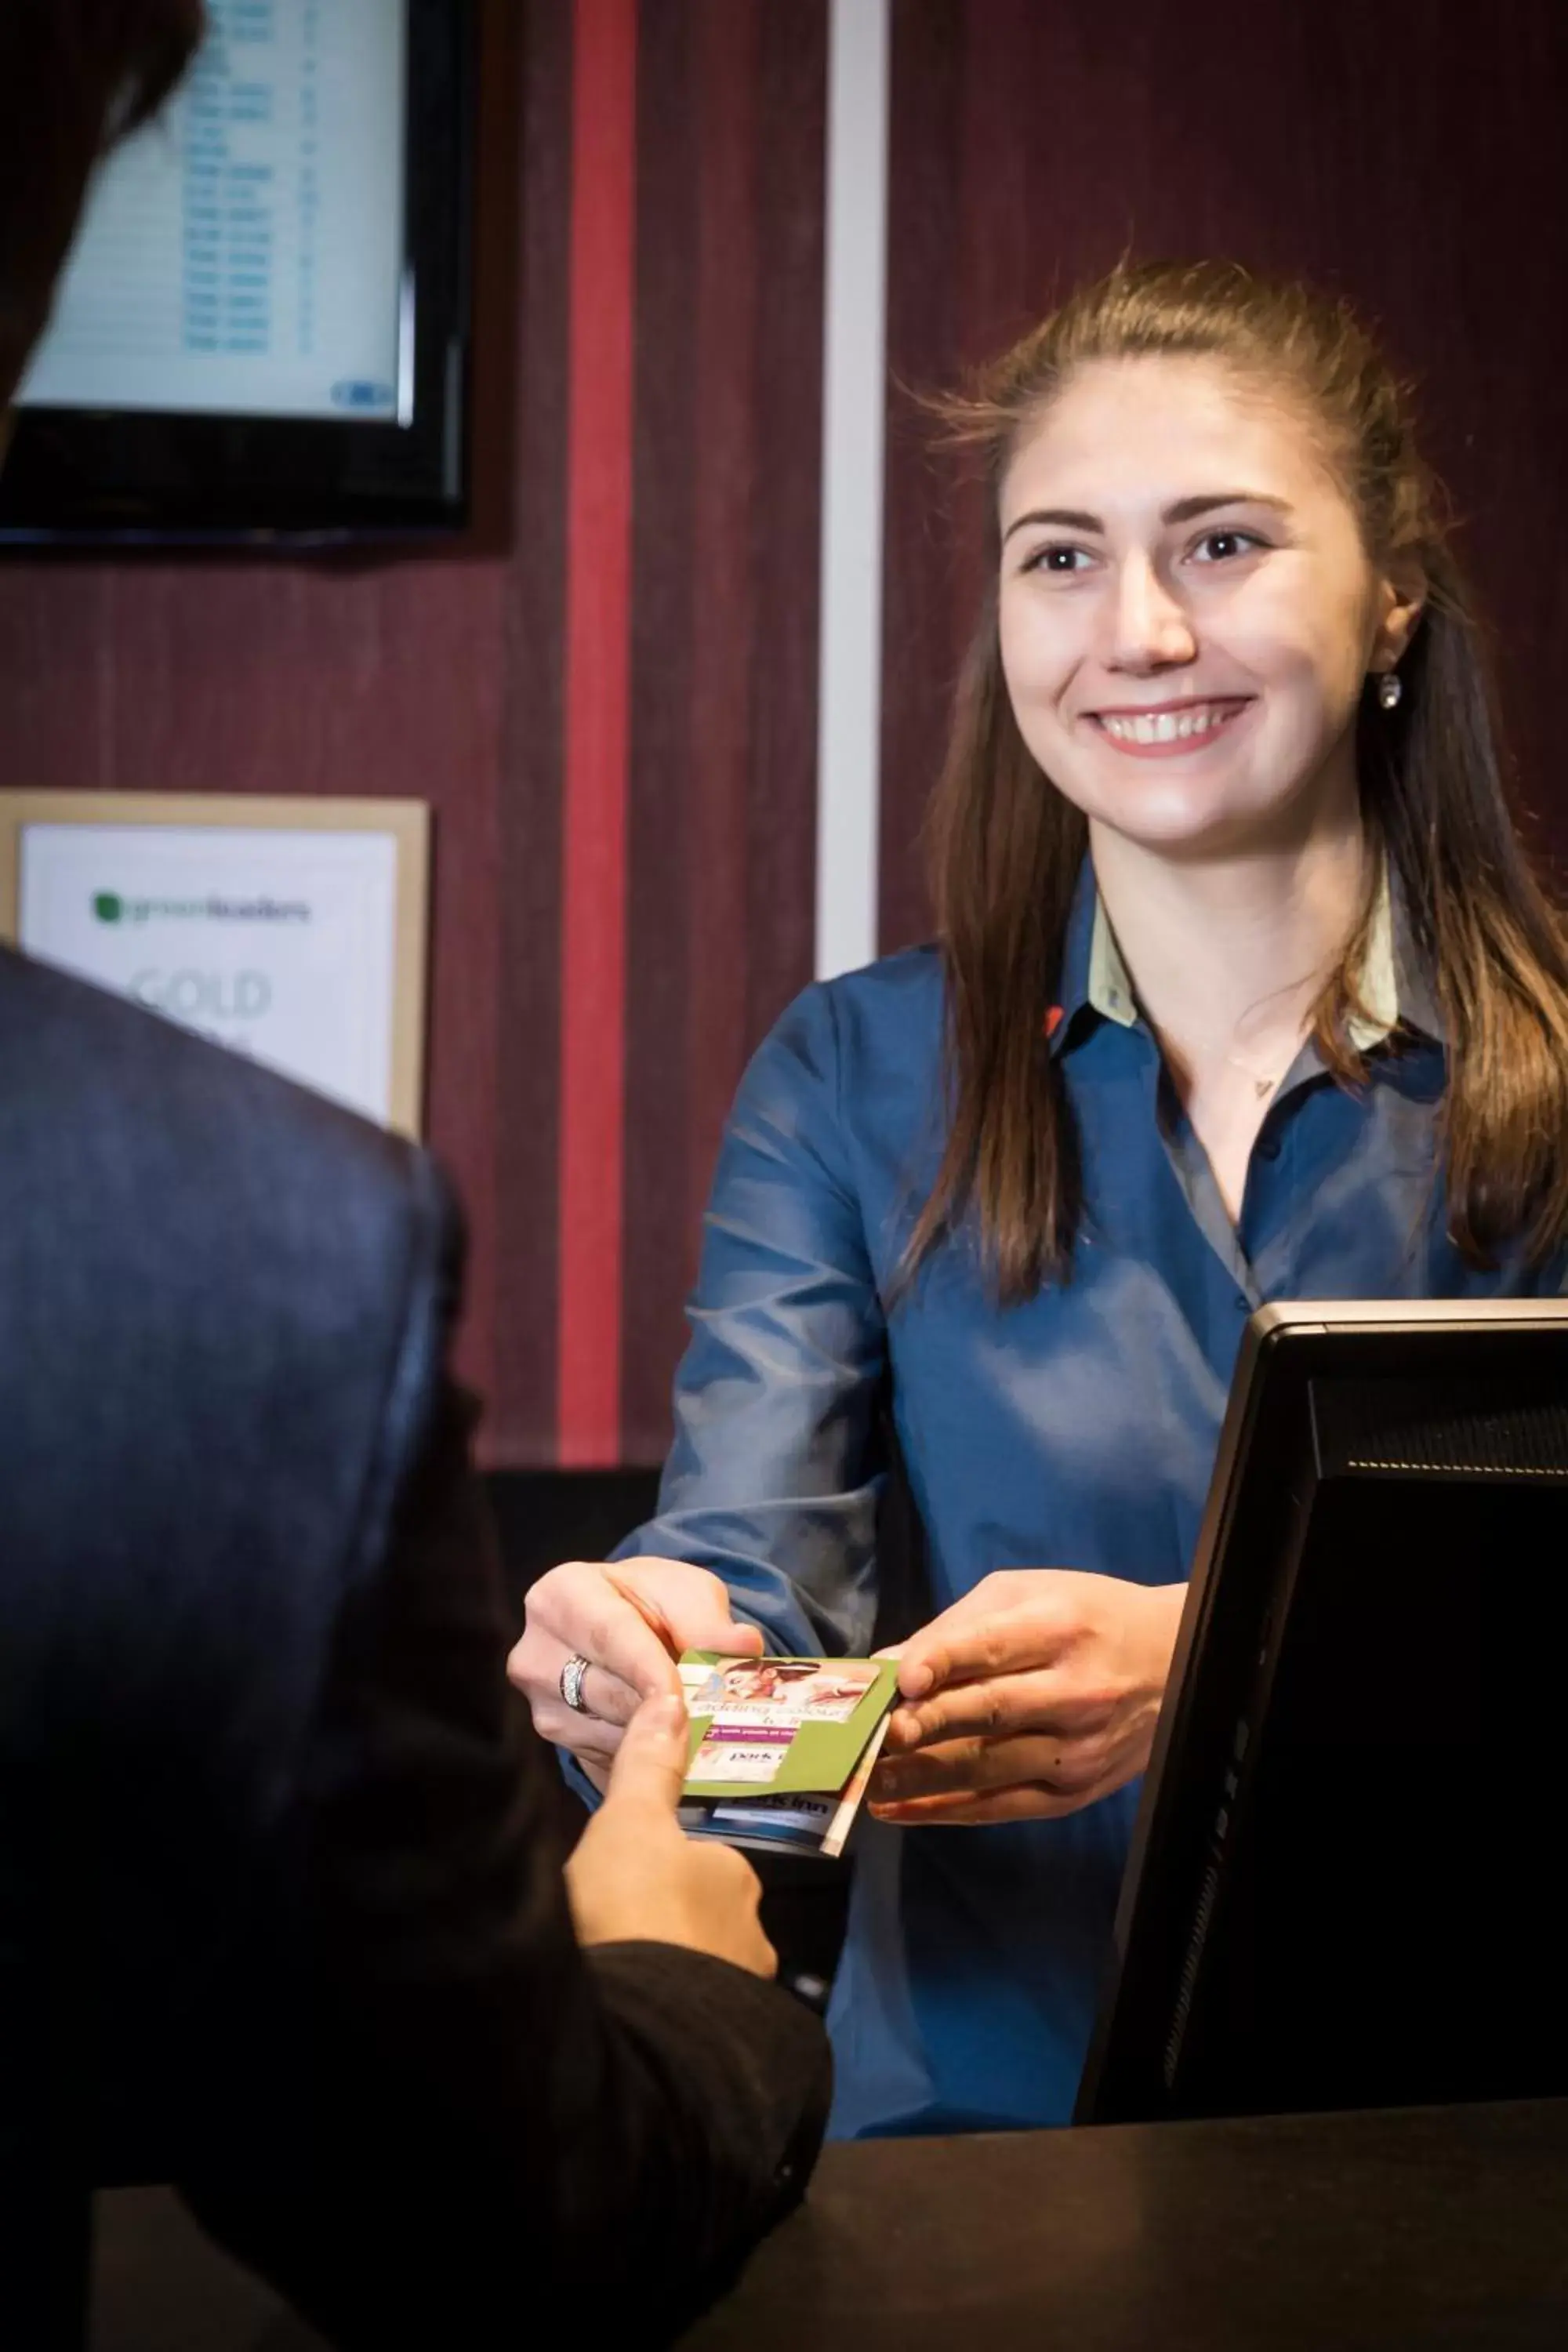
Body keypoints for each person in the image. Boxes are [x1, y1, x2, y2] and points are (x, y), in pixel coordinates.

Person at [512, 257, 1568, 2138]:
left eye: (1223, 542)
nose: (1138, 631)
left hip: (1474, 2145)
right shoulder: (850, 1075)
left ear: (1393, 589)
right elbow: (752, 1549)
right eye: (1060, 558)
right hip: (966, 2168)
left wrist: (1216, 1660)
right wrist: (653, 1648)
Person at [0, 4, 829, 2343]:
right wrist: (662, 1866)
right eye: (1066, 555)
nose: (1143, 632)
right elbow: (490, 2217)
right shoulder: (229, 1268)